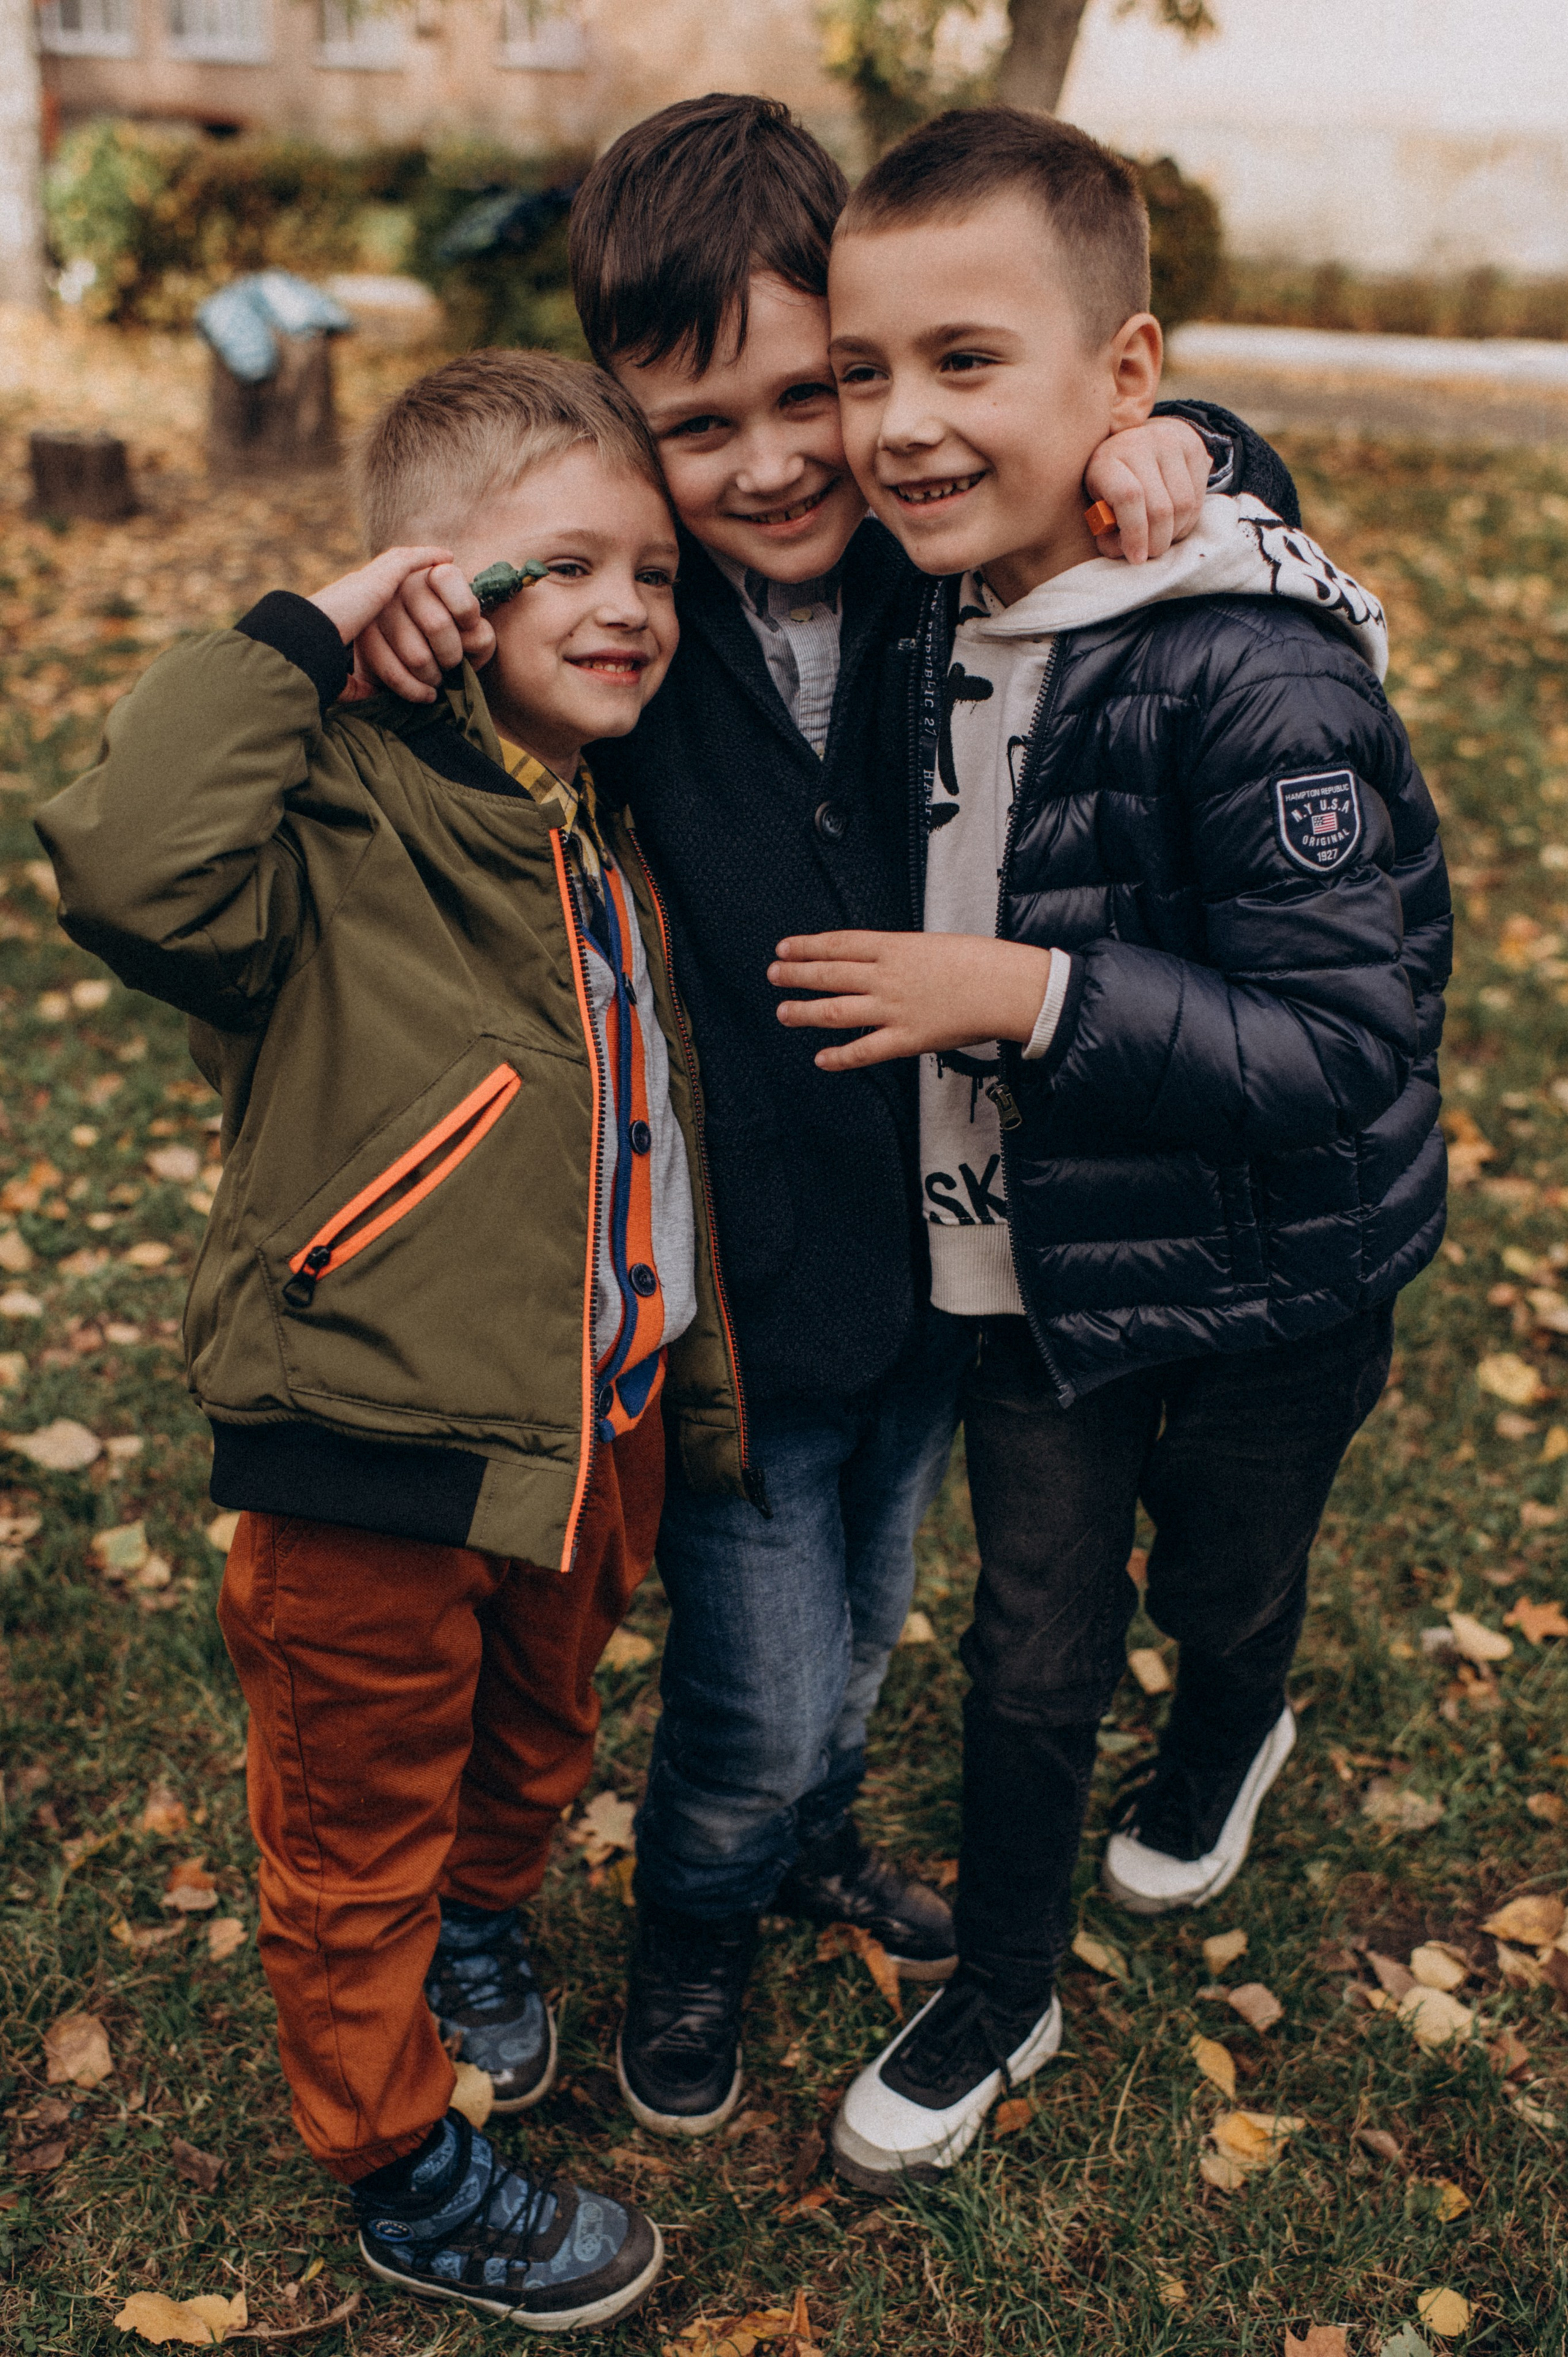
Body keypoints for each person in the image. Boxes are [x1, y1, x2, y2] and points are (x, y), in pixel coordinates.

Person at [361, 91, 1306, 2141]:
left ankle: (796, 1848)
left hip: (947, 1273)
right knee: (761, 1683)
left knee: (866, 1640)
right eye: (702, 427)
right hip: (743, 1307)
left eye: (823, 394)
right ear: (625, 430)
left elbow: (1105, 440)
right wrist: (412, 613)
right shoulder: (611, 645)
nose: (783, 461)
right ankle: (697, 1926)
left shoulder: (927, 570)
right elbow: (415, 715)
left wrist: (1200, 448)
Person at [763, 105, 1449, 2189]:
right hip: (1034, 1275)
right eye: (863, 371)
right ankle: (1008, 1975)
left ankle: (1239, 1722)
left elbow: (1347, 1036)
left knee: (1227, 1585)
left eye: (964, 364)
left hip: (1276, 1277)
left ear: (1119, 383)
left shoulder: (1255, 675)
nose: (895, 427)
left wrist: (1028, 1001)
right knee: (1032, 1634)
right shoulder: (920, 600)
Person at [33, 350, 748, 2329]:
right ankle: (395, 2155)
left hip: (578, 1423)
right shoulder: (329, 814)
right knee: (355, 1820)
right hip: (363, 1437)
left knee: (535, 1734)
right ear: (438, 589)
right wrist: (307, 631)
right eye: (569, 567)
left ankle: (486, 1924)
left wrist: (679, 1382)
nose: (628, 606)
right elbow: (124, 854)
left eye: (656, 573)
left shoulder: (600, 826)